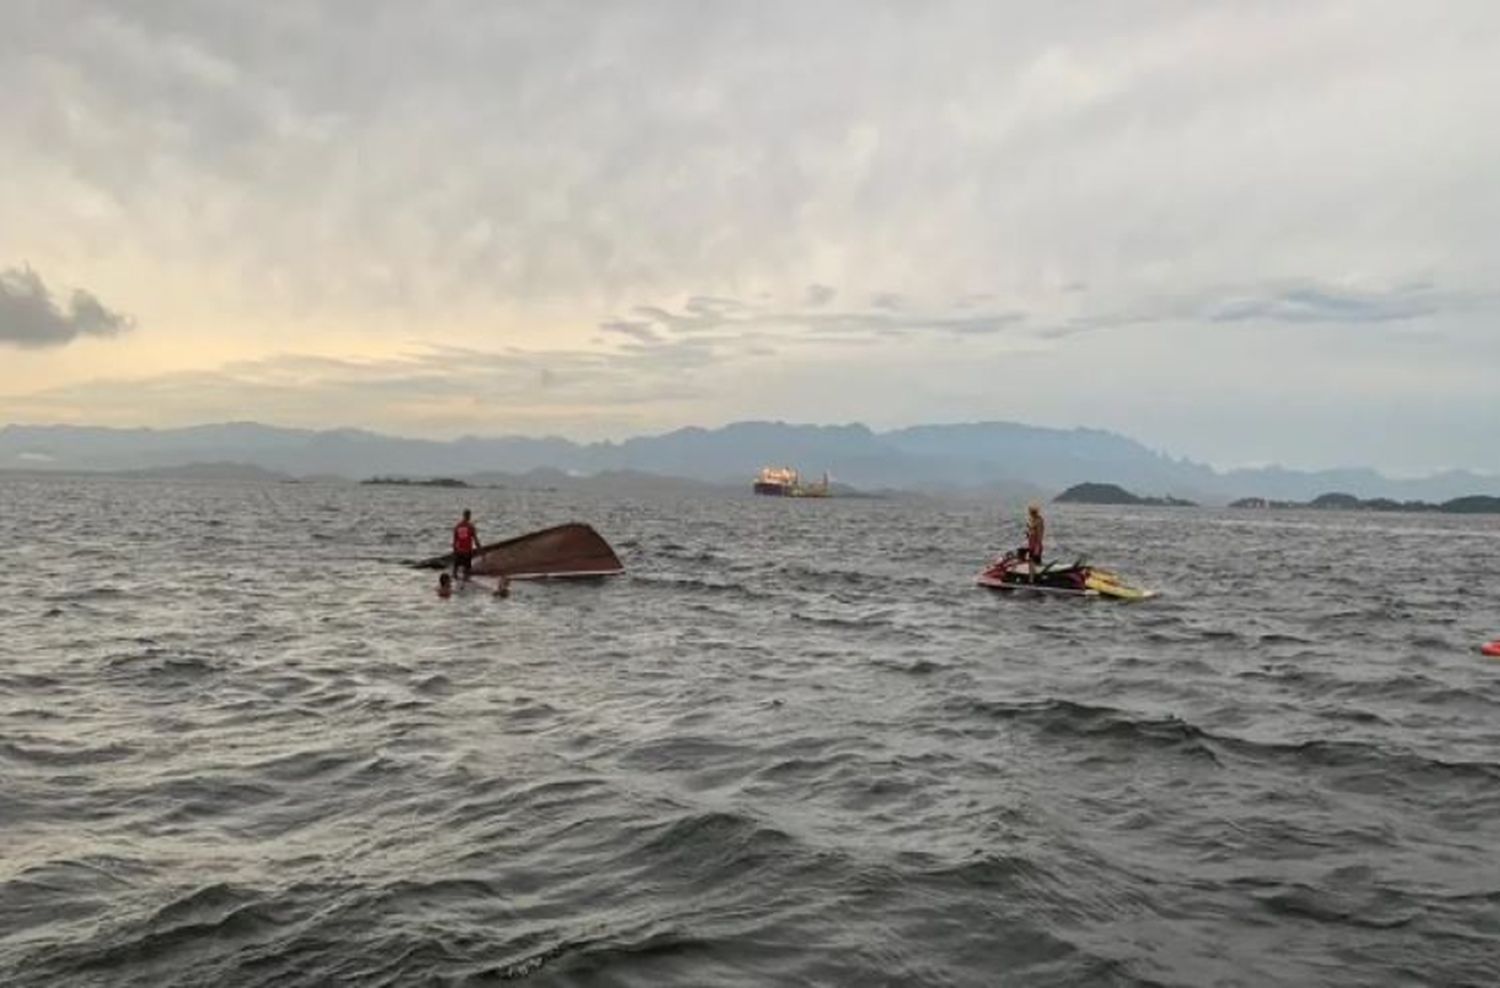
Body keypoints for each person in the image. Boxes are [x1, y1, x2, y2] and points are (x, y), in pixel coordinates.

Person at [452, 509, 481, 581]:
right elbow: (475, 540)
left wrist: (455, 550)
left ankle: (457, 583)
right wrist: (480, 550)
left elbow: (455, 541)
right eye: (469, 515)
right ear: (469, 516)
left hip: (459, 551)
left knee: (455, 570)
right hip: (467, 551)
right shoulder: (470, 527)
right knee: (467, 570)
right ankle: (465, 583)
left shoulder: (457, 526)